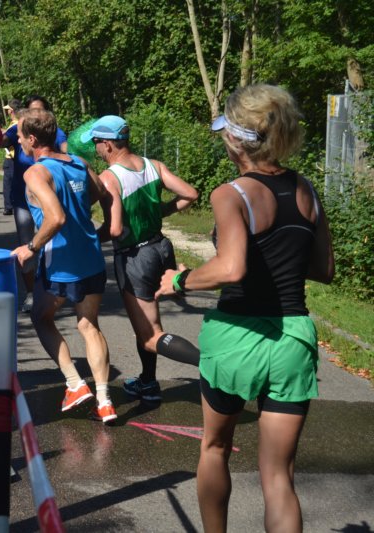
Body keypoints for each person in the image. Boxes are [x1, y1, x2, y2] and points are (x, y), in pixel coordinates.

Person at [156, 84, 334, 532]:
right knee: (279, 477)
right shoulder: (307, 190)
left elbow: (231, 268)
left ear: (236, 140)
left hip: (236, 336)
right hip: (292, 337)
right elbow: (324, 269)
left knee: (215, 448)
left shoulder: (231, 193)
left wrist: (179, 280)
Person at [82, 115, 201, 403]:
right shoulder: (153, 165)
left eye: (96, 143)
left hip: (136, 257)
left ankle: (212, 363)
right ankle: (148, 382)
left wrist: (88, 238)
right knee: (144, 325)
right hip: (161, 247)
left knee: (150, 335)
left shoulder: (110, 178)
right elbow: (190, 193)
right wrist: (162, 211)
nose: (96, 149)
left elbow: (115, 229)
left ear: (108, 144)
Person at [11, 108, 116, 424]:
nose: (18, 142)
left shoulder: (36, 173)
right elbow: (101, 193)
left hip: (60, 261)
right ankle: (105, 401)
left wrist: (31, 247)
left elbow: (55, 217)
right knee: (89, 325)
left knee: (41, 317)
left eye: (19, 136)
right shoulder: (79, 163)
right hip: (91, 257)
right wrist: (81, 212)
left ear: (32, 139)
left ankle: (74, 383)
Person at [2, 95, 68, 313]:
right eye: (31, 111)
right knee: (26, 244)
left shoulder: (54, 131)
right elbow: (1, 142)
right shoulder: (18, 129)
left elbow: (67, 152)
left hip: (47, 199)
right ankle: (32, 293)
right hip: (22, 200)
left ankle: (56, 290)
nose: (36, 115)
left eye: (40, 110)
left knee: (51, 243)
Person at [1, 99, 20, 216]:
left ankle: (8, 207)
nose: (7, 112)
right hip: (16, 157)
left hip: (11, 157)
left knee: (8, 183)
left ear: (11, 111)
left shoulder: (15, 124)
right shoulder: (19, 123)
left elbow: (6, 141)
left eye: (8, 109)